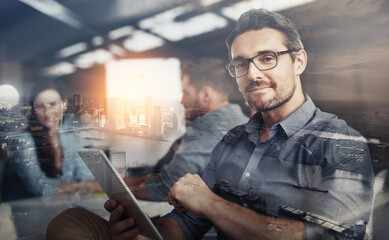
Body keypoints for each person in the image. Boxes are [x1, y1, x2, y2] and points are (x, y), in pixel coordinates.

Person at [47, 9, 374, 240]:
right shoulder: (233, 140)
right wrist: (148, 233)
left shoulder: (339, 143)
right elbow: (187, 223)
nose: (253, 74)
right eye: (241, 64)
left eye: (267, 58)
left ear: (298, 61)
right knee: (70, 221)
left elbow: (335, 237)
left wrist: (210, 203)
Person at [123, 58, 249, 201]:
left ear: (206, 95)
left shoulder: (208, 126)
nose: (182, 100)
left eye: (186, 93)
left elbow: (168, 186)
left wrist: (121, 190)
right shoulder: (243, 122)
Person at [2, 80, 102, 201]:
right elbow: (41, 188)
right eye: (40, 106)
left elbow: (85, 176)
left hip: (61, 206)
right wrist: (84, 186)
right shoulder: (23, 141)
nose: (47, 112)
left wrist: (82, 185)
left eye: (52, 104)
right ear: (34, 109)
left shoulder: (70, 136)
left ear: (64, 104)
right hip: (28, 212)